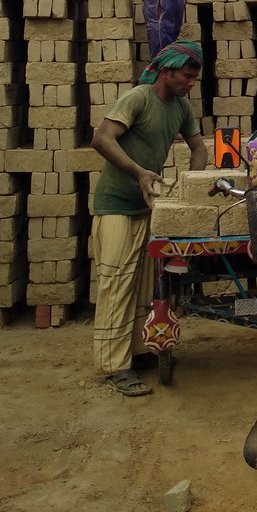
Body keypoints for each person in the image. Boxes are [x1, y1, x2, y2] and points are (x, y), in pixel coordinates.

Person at [90, 40, 207, 396]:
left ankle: (138, 352)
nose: (191, 84)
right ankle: (114, 366)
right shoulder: (138, 98)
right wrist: (139, 172)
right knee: (117, 284)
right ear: (167, 71)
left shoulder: (181, 108)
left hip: (147, 207)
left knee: (144, 285)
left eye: (195, 78)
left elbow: (199, 147)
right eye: (187, 76)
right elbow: (102, 139)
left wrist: (192, 184)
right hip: (116, 205)